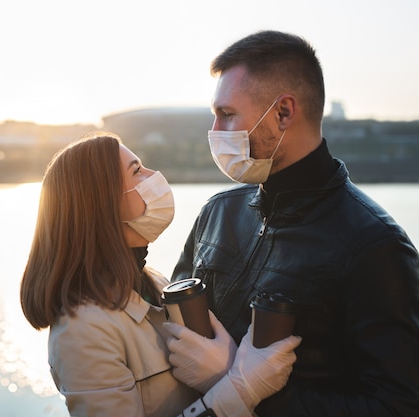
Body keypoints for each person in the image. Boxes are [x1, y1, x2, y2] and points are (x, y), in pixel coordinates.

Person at [167, 30, 419, 416]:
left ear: (283, 112)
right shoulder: (216, 213)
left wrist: (246, 390)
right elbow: (172, 338)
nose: (215, 131)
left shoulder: (374, 246)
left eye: (228, 114)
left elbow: (398, 405)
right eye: (214, 115)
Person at [20, 131, 301, 417]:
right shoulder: (82, 331)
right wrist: (243, 386)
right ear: (103, 203)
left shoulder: (152, 282)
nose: (154, 174)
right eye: (137, 170)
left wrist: (223, 372)